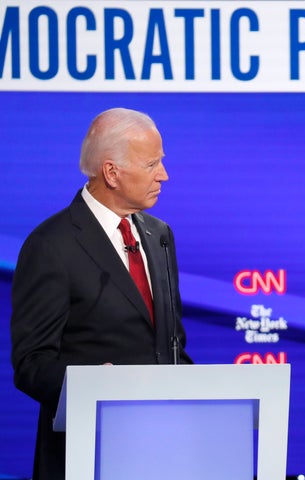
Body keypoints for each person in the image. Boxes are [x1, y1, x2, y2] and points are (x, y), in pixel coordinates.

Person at [10, 107, 193, 479]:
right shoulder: (52, 245)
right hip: (87, 453)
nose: (164, 175)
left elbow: (171, 346)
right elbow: (31, 363)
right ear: (112, 172)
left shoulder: (159, 236)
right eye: (152, 164)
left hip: (163, 452)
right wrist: (93, 385)